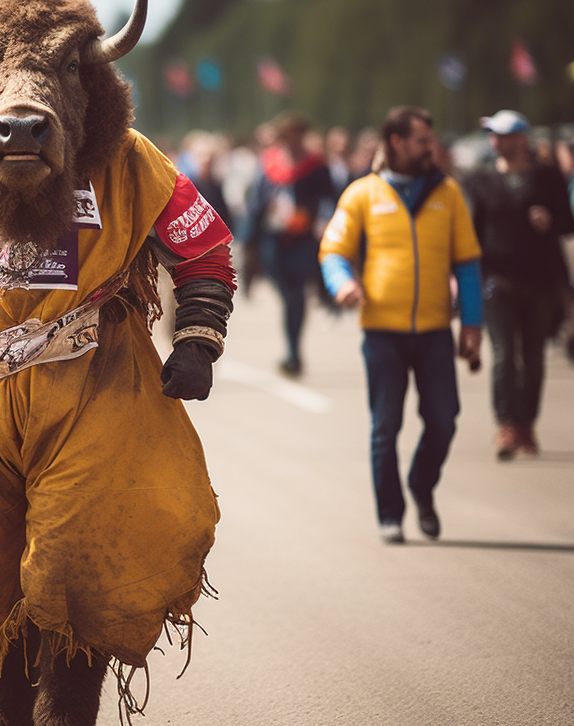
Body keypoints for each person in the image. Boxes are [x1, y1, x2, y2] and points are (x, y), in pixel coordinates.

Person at [319, 106, 483, 544]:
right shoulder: (362, 194)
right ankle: (390, 513)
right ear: (397, 142)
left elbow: (467, 263)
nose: (432, 146)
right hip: (382, 333)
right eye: (423, 140)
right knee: (385, 427)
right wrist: (342, 284)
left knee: (444, 420)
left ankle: (421, 487)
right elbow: (333, 250)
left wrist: (473, 324)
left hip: (433, 331)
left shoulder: (447, 194)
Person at [464, 110, 574, 458]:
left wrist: (550, 221)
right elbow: (473, 233)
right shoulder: (481, 179)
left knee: (533, 356)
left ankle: (527, 424)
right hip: (497, 281)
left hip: (539, 280)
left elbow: (568, 223)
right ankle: (506, 424)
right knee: (503, 355)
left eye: (501, 135)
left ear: (521, 139)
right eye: (492, 135)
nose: (494, 141)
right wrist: (466, 281)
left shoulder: (545, 177)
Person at [243, 111, 335, 376]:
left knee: (296, 297)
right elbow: (255, 204)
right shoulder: (269, 165)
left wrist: (319, 218)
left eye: (295, 135)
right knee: (286, 293)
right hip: (273, 240)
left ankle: (293, 352)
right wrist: (251, 240)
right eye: (285, 136)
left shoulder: (316, 166)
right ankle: (292, 345)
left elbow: (329, 198)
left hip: (302, 240)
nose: (289, 141)